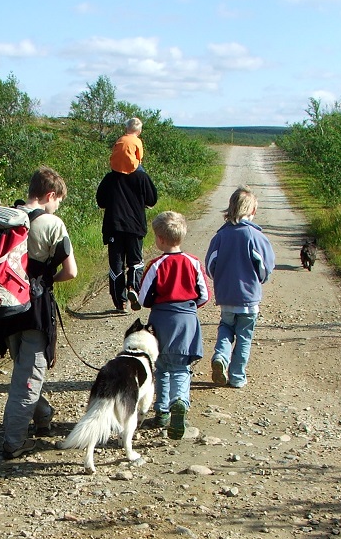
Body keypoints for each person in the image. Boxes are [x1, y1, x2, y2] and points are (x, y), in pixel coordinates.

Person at [0, 167, 78, 460]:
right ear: (50, 195)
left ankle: (43, 417)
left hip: (4, 305)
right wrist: (45, 280)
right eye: (58, 201)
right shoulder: (52, 223)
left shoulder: (4, 218)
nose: (57, 207)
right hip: (34, 308)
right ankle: (14, 442)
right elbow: (71, 272)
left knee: (24, 370)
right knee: (28, 376)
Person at [137, 211, 209, 440]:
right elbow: (204, 295)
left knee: (162, 367)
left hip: (161, 320)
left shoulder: (156, 265)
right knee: (181, 367)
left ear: (159, 239)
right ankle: (180, 403)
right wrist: (188, 307)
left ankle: (162, 411)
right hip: (186, 320)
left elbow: (142, 298)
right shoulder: (194, 262)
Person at [205, 185, 276, 389]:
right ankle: (236, 376)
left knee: (226, 327)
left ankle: (220, 356)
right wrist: (260, 280)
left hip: (227, 296)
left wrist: (220, 279)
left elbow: (210, 265)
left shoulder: (220, 236)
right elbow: (265, 267)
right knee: (244, 336)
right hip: (249, 298)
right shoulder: (256, 237)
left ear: (230, 208)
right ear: (253, 211)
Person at [96, 162, 158, 313]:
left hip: (114, 227)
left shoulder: (110, 178)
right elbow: (152, 200)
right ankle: (133, 288)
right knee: (135, 261)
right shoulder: (142, 177)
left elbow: (100, 201)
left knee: (116, 265)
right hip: (135, 227)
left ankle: (120, 303)